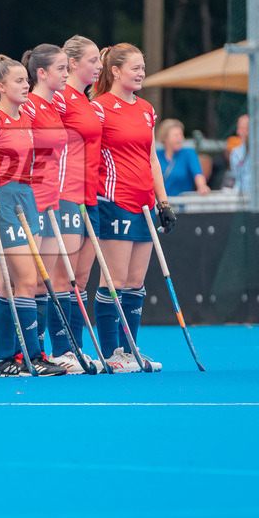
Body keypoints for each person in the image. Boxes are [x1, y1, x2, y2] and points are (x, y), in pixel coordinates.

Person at [90, 43, 174, 372]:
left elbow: (151, 157)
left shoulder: (147, 110)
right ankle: (111, 352)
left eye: (143, 67)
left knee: (136, 281)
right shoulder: (99, 108)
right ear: (115, 71)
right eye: (135, 68)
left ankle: (130, 349)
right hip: (114, 202)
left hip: (144, 205)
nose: (141, 73)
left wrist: (163, 201)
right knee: (115, 280)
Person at [0, 55, 67, 376]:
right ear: (0, 86)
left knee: (10, 285)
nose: (25, 86)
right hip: (3, 201)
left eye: (26, 81)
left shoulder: (27, 117)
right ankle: (32, 356)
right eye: (18, 81)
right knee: (28, 280)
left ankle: (6, 358)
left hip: (27, 198)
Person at [54, 35, 104, 371]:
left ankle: (76, 348)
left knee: (82, 280)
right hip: (65, 195)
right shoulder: (60, 99)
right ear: (72, 64)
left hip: (91, 195)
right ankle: (61, 350)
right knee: (64, 278)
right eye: (92, 60)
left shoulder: (88, 102)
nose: (99, 66)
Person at [22, 44, 73, 363]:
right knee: (26, 281)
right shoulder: (29, 106)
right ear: (41, 73)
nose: (67, 74)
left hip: (52, 199)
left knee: (47, 282)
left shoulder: (56, 106)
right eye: (61, 69)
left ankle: (40, 352)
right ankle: (20, 353)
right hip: (30, 201)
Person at [156, 119, 210, 197]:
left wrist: (202, 186)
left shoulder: (188, 153)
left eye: (181, 135)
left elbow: (198, 173)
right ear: (165, 138)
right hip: (160, 204)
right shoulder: (156, 155)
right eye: (176, 135)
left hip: (182, 204)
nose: (180, 138)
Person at [228, 114, 250, 193]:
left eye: (243, 128)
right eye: (239, 128)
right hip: (242, 196)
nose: (238, 132)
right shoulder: (236, 153)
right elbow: (236, 174)